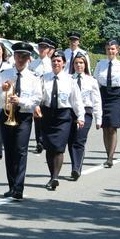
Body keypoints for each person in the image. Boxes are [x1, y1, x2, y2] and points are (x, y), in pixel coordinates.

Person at [0, 42, 42, 201]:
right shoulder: (4, 74)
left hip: (23, 116)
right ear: (14, 57)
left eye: (24, 57)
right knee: (9, 150)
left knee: (21, 150)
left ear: (29, 59)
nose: (20, 59)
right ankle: (12, 186)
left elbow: (37, 98)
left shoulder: (33, 77)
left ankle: (19, 188)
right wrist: (2, 88)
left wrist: (20, 101)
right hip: (6, 114)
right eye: (18, 56)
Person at [36, 50, 84, 190]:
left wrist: (80, 116)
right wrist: (36, 107)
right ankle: (52, 175)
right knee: (49, 148)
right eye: (54, 61)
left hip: (64, 116)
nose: (56, 63)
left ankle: (55, 177)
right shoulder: (44, 78)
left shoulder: (70, 80)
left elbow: (76, 101)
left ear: (64, 63)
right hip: (47, 115)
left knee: (59, 148)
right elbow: (38, 96)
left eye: (59, 61)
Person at [94, 39, 120, 167]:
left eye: (113, 49)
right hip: (103, 95)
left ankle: (110, 157)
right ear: (106, 50)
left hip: (116, 97)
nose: (110, 51)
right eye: (108, 49)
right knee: (105, 127)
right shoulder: (100, 64)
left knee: (113, 126)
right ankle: (107, 154)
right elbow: (95, 81)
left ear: (117, 50)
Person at [67, 52, 101, 180]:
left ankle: (77, 168)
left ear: (85, 64)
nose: (78, 65)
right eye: (76, 63)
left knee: (79, 140)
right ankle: (74, 165)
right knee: (71, 140)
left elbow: (97, 100)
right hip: (71, 112)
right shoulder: (69, 79)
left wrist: (99, 118)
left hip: (86, 112)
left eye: (81, 63)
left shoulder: (91, 80)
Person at [30, 37, 54, 154]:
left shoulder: (52, 63)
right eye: (40, 47)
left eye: (44, 47)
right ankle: (39, 141)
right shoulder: (33, 64)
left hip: (48, 94)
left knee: (47, 118)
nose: (42, 49)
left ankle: (46, 140)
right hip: (36, 94)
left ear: (48, 49)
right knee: (37, 118)